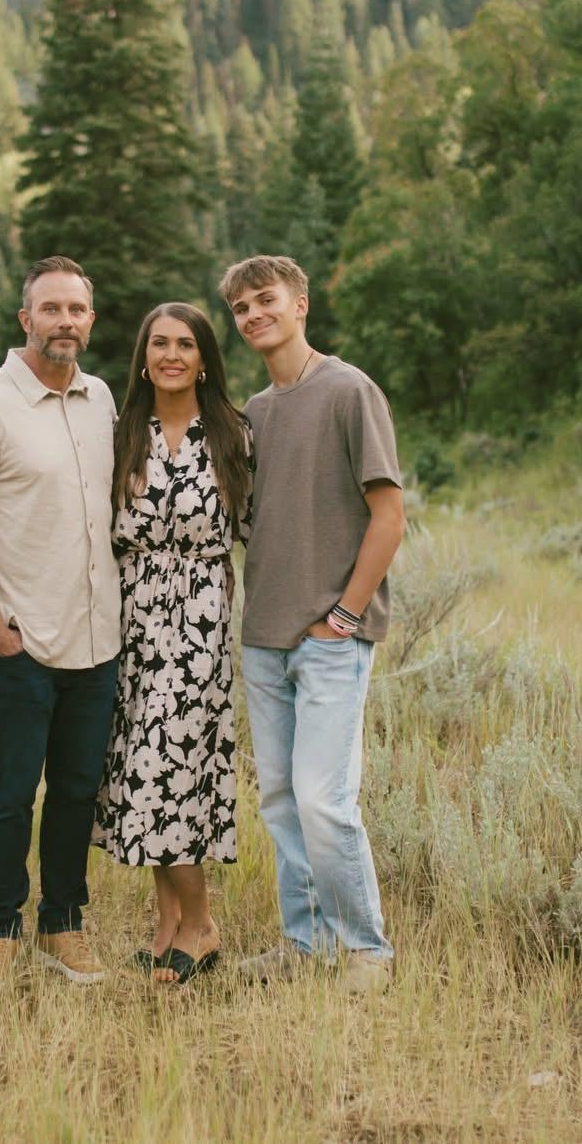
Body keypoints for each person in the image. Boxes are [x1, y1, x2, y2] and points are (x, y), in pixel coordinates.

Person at [0, 255, 122, 990]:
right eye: (51, 309)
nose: (65, 322)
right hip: (21, 641)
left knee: (78, 791)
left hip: (96, 638)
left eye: (76, 310)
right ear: (25, 319)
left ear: (90, 320)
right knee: (11, 791)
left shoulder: (102, 399)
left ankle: (63, 925)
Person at [221, 254, 406, 995]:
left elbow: (388, 518)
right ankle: (305, 944)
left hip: (330, 637)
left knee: (325, 801)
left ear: (300, 304)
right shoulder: (256, 414)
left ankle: (365, 951)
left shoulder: (348, 390)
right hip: (263, 638)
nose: (254, 315)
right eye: (241, 308)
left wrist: (345, 614)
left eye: (266, 300)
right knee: (280, 801)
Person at [92, 302, 251, 985]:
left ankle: (203, 923)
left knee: (172, 769)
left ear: (205, 356)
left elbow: (257, 533)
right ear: (144, 356)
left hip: (198, 625)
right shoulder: (122, 430)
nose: (171, 354)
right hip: (129, 621)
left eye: (185, 343)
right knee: (142, 771)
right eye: (158, 343)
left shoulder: (233, 434)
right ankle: (168, 926)